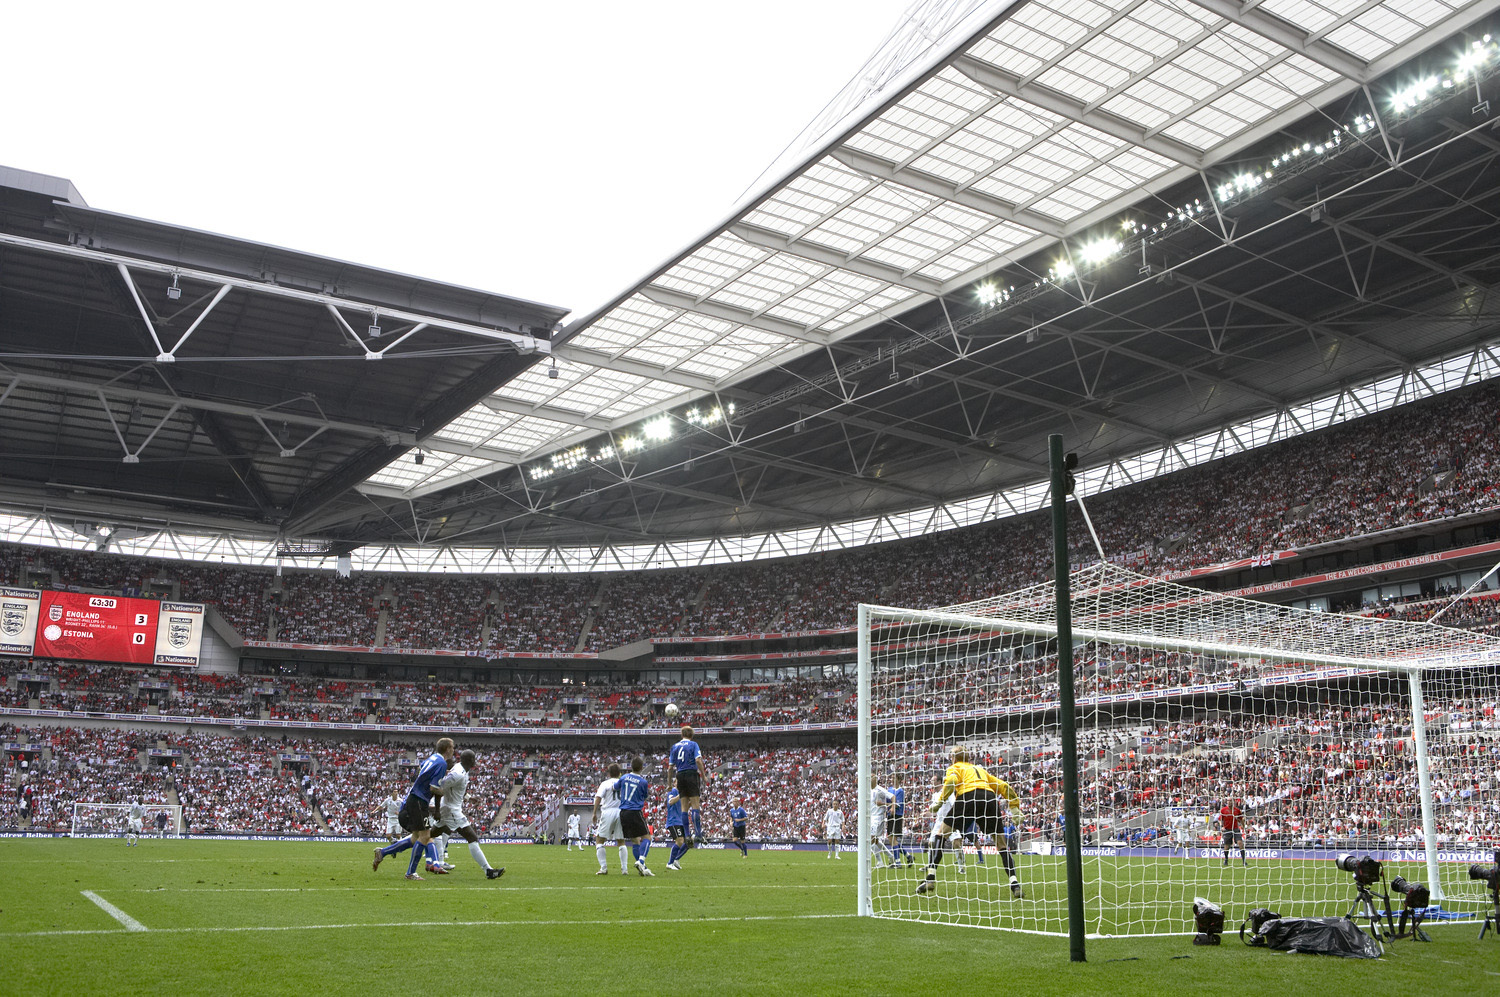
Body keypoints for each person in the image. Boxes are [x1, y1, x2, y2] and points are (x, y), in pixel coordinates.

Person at [917, 747, 1023, 898]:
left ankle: (930, 878)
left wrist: (940, 802)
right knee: (1001, 845)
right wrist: (1014, 808)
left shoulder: (956, 767)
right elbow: (1004, 786)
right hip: (989, 798)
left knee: (941, 834)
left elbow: (952, 780)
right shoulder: (980, 770)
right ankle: (1015, 884)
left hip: (967, 797)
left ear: (954, 758)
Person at [372, 736, 454, 881]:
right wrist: (443, 793)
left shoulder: (433, 758)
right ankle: (410, 873)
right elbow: (434, 788)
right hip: (419, 800)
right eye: (452, 747)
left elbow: (421, 767)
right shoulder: (442, 763)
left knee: (416, 837)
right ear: (447, 749)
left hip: (415, 798)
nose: (453, 750)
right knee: (425, 836)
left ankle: (382, 853)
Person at [432, 749, 505, 880]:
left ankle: (389, 850)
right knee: (472, 837)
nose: (475, 761)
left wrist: (469, 798)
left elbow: (454, 788)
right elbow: (439, 786)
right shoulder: (458, 773)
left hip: (448, 809)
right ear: (470, 760)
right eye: (473, 758)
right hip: (451, 811)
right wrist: (436, 809)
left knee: (426, 836)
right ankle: (488, 870)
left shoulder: (461, 770)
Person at [668, 726, 706, 845]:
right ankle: (698, 834)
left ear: (682, 735)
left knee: (684, 807)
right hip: (691, 774)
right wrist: (703, 775)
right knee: (695, 805)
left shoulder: (674, 746)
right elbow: (698, 760)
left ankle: (687, 835)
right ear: (691, 735)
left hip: (680, 775)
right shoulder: (693, 744)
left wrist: (669, 783)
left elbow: (670, 767)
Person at [617, 756, 654, 877]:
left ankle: (643, 868)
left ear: (631, 766)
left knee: (635, 841)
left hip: (623, 812)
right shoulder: (643, 782)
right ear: (642, 767)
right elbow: (644, 796)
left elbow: (615, 787)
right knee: (647, 838)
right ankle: (641, 861)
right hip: (635, 811)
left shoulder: (623, 777)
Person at [592, 763, 631, 876]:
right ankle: (624, 869)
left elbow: (598, 798)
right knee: (621, 841)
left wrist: (594, 813)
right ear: (620, 773)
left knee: (599, 840)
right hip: (621, 812)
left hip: (608, 811)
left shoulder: (605, 784)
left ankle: (604, 868)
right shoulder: (624, 784)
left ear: (608, 773)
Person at [870, 776, 898, 868]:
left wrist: (892, 806)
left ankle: (880, 862)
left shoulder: (880, 790)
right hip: (871, 817)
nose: (869, 779)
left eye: (871, 777)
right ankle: (890, 856)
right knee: (875, 840)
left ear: (875, 779)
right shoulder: (867, 789)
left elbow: (893, 796)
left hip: (878, 817)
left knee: (870, 839)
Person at [665, 779, 690, 871]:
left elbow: (685, 808)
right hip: (673, 821)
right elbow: (671, 802)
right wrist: (681, 795)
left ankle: (676, 859)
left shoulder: (682, 795)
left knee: (688, 842)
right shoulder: (673, 791)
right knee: (679, 840)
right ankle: (670, 863)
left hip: (681, 821)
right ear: (674, 783)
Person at [889, 774, 912, 866]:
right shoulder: (889, 789)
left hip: (897, 815)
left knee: (893, 838)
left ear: (899, 780)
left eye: (894, 778)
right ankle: (908, 856)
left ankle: (897, 862)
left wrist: (891, 806)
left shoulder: (901, 791)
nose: (892, 779)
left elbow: (898, 803)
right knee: (891, 839)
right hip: (890, 815)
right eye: (891, 778)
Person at [1219, 799, 1247, 867]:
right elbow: (1220, 819)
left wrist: (1243, 826)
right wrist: (1221, 826)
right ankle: (1226, 859)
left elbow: (1241, 819)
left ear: (1233, 802)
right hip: (1227, 829)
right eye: (1228, 801)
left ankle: (1244, 861)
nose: (1229, 802)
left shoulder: (1237, 810)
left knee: (1240, 843)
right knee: (1227, 846)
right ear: (1227, 802)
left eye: (1230, 801)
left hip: (1235, 829)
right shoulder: (1223, 810)